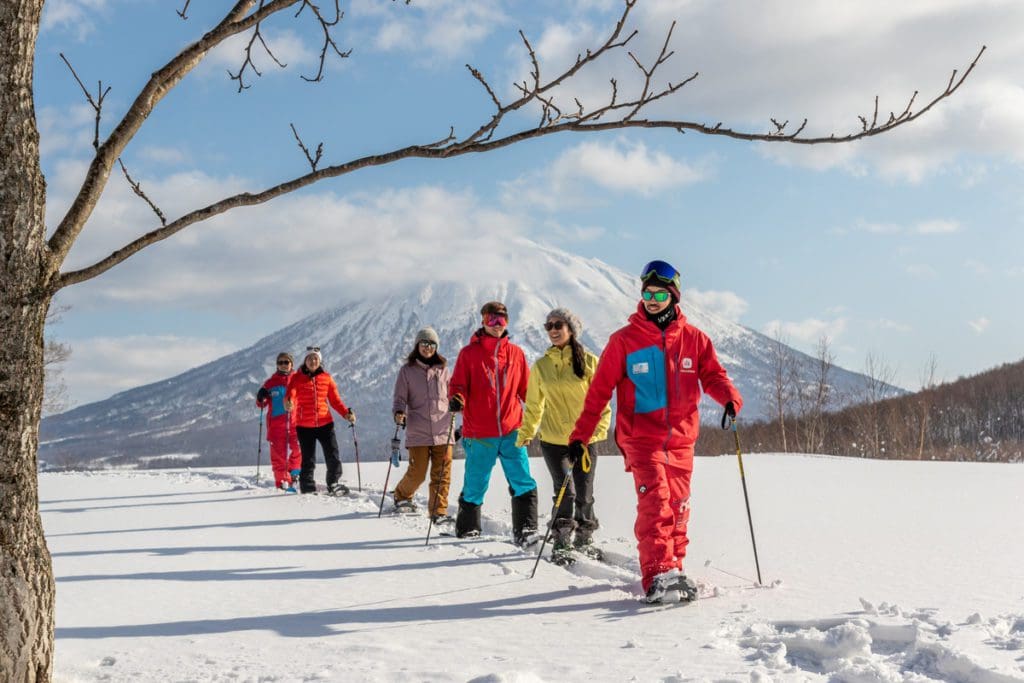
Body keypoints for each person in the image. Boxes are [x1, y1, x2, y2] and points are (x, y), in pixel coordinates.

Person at [569, 260, 743, 603]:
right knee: (657, 502)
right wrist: (580, 435)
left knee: (679, 508)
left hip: (682, 440)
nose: (651, 299)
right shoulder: (624, 341)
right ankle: (657, 573)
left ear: (673, 296)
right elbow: (599, 392)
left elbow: (713, 376)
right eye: (647, 293)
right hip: (641, 439)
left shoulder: (695, 340)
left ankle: (674, 568)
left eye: (659, 293)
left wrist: (729, 398)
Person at [517, 308, 610, 565]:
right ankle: (561, 540)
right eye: (548, 326)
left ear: (571, 328)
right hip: (553, 440)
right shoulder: (541, 366)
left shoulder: (590, 362)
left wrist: (592, 435)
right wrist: (527, 433)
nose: (553, 330)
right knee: (563, 492)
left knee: (584, 493)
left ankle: (584, 537)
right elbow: (534, 405)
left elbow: (602, 402)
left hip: (584, 441)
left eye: (558, 325)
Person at [449, 301, 539, 545]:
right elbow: (457, 386)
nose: (497, 326)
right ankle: (468, 529)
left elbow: (526, 390)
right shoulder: (469, 354)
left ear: (507, 322)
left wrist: (539, 410)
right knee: (476, 482)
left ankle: (527, 530)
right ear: (483, 322)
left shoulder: (516, 354)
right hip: (480, 433)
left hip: (512, 429)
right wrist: (457, 398)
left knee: (522, 479)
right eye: (492, 321)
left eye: (501, 321)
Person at [391, 327, 455, 526]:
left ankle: (438, 512)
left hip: (443, 430)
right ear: (417, 345)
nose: (428, 347)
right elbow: (399, 398)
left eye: (432, 344)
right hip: (418, 429)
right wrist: (399, 413)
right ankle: (402, 494)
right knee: (417, 472)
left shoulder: (444, 370)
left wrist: (458, 402)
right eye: (424, 343)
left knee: (442, 475)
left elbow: (453, 395)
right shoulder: (407, 371)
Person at [285, 346, 356, 495]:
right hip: (304, 426)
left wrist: (346, 413)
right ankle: (308, 487)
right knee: (308, 459)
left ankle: (334, 483)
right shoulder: (296, 378)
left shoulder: (326, 378)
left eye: (315, 358)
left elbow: (335, 401)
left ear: (320, 361)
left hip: (325, 424)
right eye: (309, 358)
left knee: (333, 456)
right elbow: (290, 393)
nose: (313, 361)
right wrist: (289, 401)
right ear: (305, 361)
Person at [255, 352, 302, 491]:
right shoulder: (270, 383)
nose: (283, 365)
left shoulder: (298, 380)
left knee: (299, 449)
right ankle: (282, 483)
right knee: (279, 457)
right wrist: (260, 397)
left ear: (291, 364)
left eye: (286, 362)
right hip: (276, 426)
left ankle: (294, 473)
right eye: (280, 362)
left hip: (296, 424)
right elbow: (261, 404)